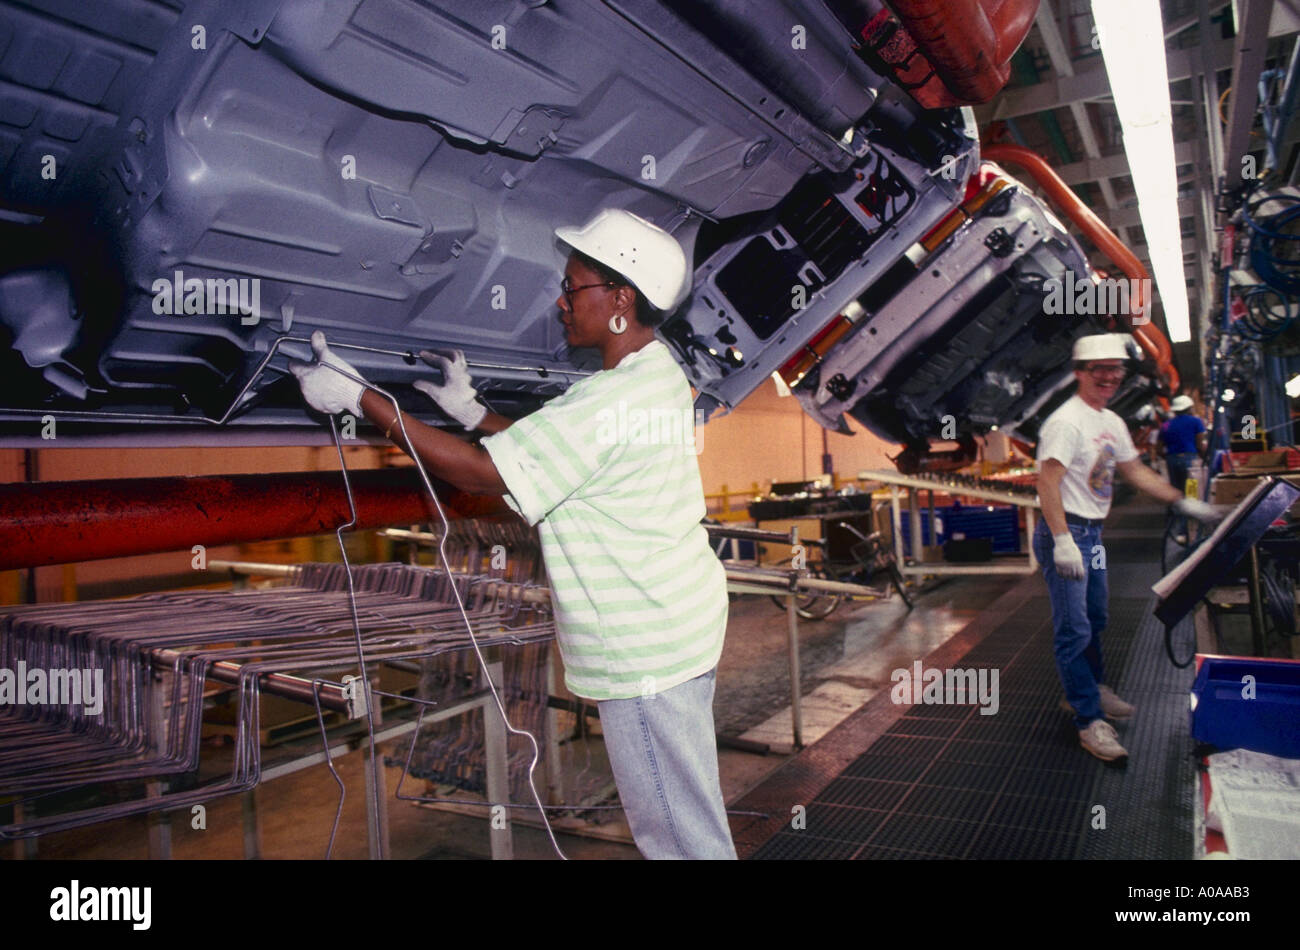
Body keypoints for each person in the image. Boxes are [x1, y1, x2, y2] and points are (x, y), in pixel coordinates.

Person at [290, 208, 736, 859]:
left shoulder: (610, 400)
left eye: (575, 287)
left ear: (621, 298)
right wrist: (475, 412)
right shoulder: (655, 374)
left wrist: (364, 402)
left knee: (676, 832)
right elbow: (564, 449)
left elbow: (481, 472)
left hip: (648, 650)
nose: (562, 302)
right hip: (681, 624)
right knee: (686, 809)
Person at [1033, 334, 1222, 763]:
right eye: (1098, 369)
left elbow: (1135, 471)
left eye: (1115, 369)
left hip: (1092, 537)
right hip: (1067, 534)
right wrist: (1062, 541)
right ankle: (1087, 720)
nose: (1108, 377)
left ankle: (1089, 689)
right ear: (1080, 373)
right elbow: (1046, 482)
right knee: (1074, 628)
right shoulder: (1067, 422)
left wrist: (1180, 500)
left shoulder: (1111, 422)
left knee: (1096, 617)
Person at [1160, 394, 1208, 543]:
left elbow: (1159, 446)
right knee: (1192, 494)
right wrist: (1204, 458)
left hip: (1172, 460)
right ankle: (1191, 532)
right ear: (1189, 408)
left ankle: (1179, 531)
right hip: (1190, 460)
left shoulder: (1166, 425)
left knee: (1178, 494)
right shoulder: (1196, 421)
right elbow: (1201, 444)